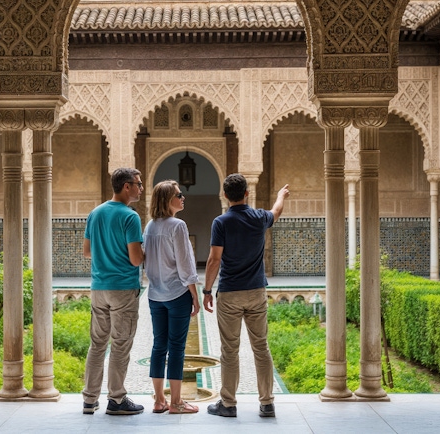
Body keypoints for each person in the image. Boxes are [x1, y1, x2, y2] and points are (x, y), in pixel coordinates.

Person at [203, 173, 290, 418]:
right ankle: (267, 403)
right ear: (246, 193)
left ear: (224, 195)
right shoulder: (259, 217)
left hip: (230, 293)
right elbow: (276, 211)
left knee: (230, 350)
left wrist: (207, 290)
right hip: (256, 291)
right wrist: (281, 196)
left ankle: (228, 404)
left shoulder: (221, 222)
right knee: (261, 347)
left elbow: (214, 259)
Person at [82, 167, 145, 416]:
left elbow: (87, 252)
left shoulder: (95, 213)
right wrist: (145, 252)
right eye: (138, 184)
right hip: (122, 289)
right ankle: (116, 399)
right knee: (120, 344)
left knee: (97, 344)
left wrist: (106, 253)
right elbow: (136, 259)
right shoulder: (130, 217)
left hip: (99, 288)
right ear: (126, 186)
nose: (140, 188)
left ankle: (89, 399)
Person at [142, 180, 201, 414]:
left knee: (159, 346)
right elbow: (185, 265)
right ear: (168, 200)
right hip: (177, 294)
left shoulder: (150, 227)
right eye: (179, 194)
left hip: (155, 295)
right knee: (176, 348)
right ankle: (176, 402)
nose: (183, 197)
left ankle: (159, 401)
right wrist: (194, 295)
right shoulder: (177, 226)